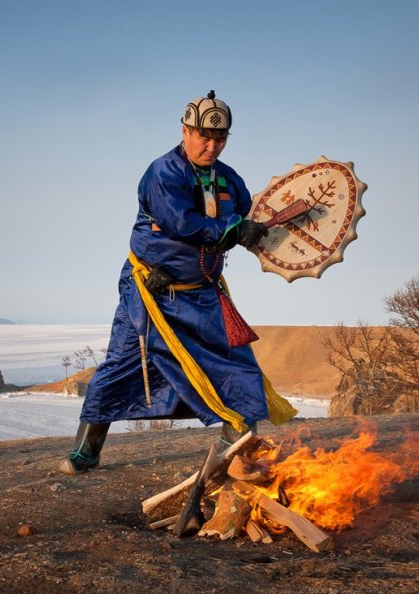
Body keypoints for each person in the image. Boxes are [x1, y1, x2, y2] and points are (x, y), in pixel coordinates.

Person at [59, 90, 296, 475]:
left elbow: (247, 216)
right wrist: (236, 230)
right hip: (152, 292)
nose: (211, 145)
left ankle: (235, 448)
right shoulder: (162, 173)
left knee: (236, 363)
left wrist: (261, 229)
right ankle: (86, 452)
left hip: (204, 294)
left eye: (219, 138)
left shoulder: (229, 179)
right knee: (123, 365)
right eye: (203, 135)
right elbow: (183, 223)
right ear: (185, 131)